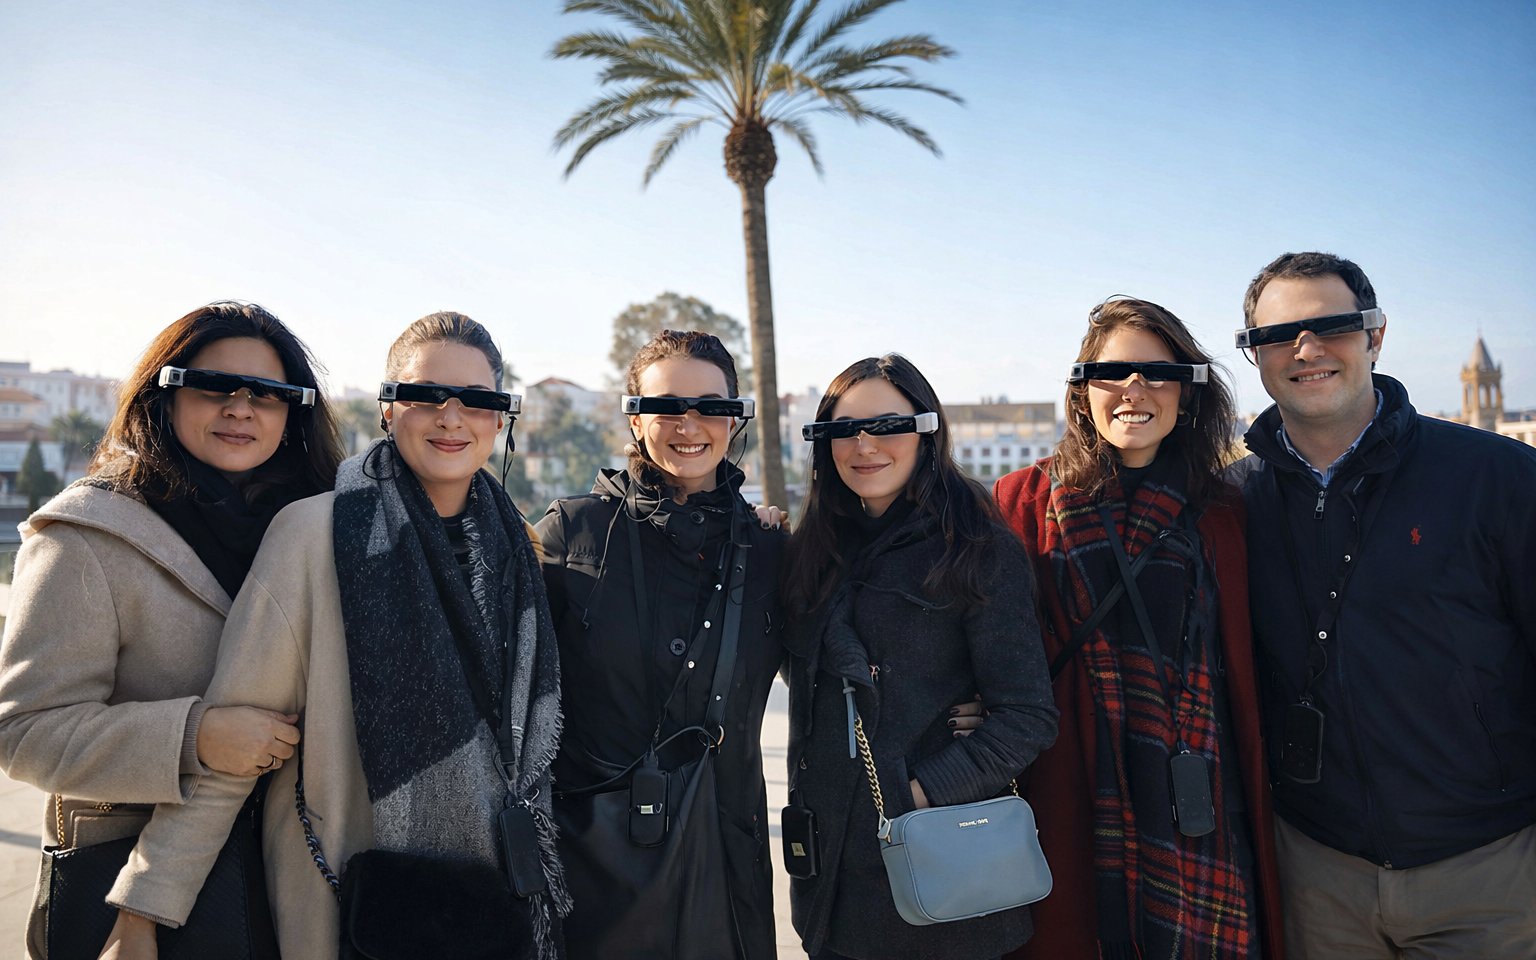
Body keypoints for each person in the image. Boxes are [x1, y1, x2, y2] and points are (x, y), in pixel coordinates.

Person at [101, 311, 568, 960]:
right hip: (351, 898)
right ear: (386, 409)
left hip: (493, 901)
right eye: (424, 395)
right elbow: (236, 738)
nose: (451, 417)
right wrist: (145, 909)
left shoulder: (518, 546)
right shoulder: (315, 534)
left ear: (500, 418)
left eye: (478, 400)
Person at [0, 301, 344, 958]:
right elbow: (23, 732)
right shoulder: (87, 537)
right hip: (135, 885)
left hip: (304, 870)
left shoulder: (324, 527)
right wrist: (194, 737)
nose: (242, 409)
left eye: (270, 395)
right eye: (215, 386)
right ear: (164, 394)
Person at [1233, 252, 1536, 958]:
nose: (1307, 349)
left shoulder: (1498, 479)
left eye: (1333, 324)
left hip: (1488, 872)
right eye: (1280, 335)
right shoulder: (1232, 504)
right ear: (1255, 356)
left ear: (1376, 335)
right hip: (1316, 874)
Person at [993, 298, 1283, 960]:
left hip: (1198, 800)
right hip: (1068, 797)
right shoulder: (1021, 502)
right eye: (1113, 372)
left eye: (1158, 373)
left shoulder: (1225, 511)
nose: (1134, 390)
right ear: (1082, 390)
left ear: (1188, 391)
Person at [781, 353, 1059, 960]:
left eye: (887, 425)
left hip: (943, 879)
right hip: (830, 882)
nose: (864, 445)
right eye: (842, 429)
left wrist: (918, 793)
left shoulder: (977, 549)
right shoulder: (812, 552)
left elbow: (1027, 716)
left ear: (927, 431)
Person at [535, 329, 783, 960]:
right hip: (592, 859)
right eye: (666, 406)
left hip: (726, 854)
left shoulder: (772, 550)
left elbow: (846, 660)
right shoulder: (573, 533)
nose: (688, 424)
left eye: (711, 407)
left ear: (737, 418)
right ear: (635, 416)